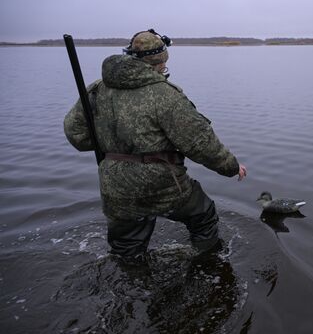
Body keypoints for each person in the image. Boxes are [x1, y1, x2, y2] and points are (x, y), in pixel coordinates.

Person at [64, 29, 247, 258]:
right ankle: (207, 261)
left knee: (126, 251)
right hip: (162, 185)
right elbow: (200, 143)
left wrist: (113, 145)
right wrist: (231, 167)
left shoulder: (97, 89)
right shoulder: (165, 94)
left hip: (115, 184)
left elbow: (76, 134)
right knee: (203, 215)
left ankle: (131, 282)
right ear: (161, 61)